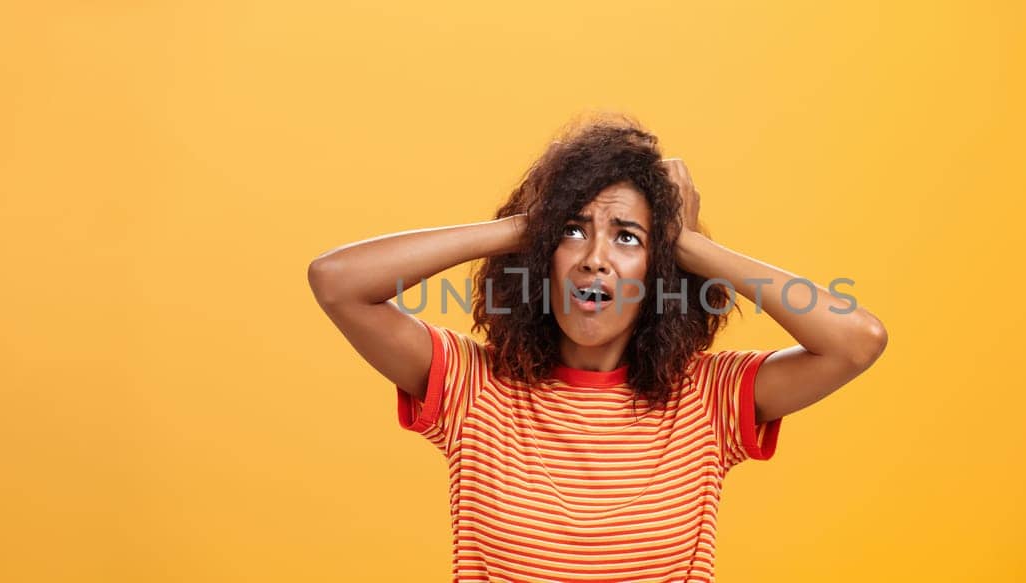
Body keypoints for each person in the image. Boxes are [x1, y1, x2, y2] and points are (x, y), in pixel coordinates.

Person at [307, 114, 887, 582]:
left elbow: (857, 340)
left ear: (658, 270)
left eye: (628, 238)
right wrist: (527, 226)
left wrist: (681, 240)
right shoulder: (472, 385)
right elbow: (337, 282)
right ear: (542, 259)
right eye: (573, 232)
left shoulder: (710, 399)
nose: (595, 258)